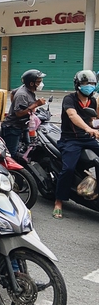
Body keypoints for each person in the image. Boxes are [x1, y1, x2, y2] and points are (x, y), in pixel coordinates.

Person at [52, 70, 99, 219]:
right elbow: (73, 115)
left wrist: (94, 128)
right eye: (86, 84)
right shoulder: (69, 99)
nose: (89, 87)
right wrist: (87, 128)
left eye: (92, 84)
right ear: (78, 85)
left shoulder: (93, 101)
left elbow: (92, 119)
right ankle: (59, 201)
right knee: (68, 168)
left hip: (87, 138)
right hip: (70, 139)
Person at [1, 69, 47, 157]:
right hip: (13, 128)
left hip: (23, 125)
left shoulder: (26, 88)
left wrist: (15, 104)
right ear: (31, 84)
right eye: (39, 82)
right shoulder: (22, 94)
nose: (41, 84)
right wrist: (36, 104)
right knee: (11, 154)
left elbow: (12, 92)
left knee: (28, 146)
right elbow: (19, 114)